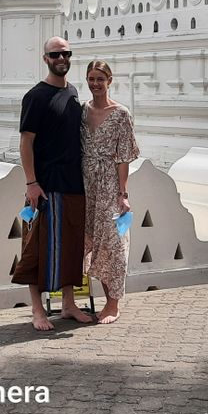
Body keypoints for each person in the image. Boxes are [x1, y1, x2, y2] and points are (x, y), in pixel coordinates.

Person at [11, 36, 93, 331]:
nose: (62, 58)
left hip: (73, 185)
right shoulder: (36, 96)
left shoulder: (72, 92)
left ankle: (69, 305)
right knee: (36, 248)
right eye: (56, 54)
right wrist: (31, 182)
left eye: (66, 53)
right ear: (45, 59)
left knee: (72, 247)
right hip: (45, 187)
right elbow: (26, 142)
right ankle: (37, 310)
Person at [81, 60, 139, 323]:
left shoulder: (121, 114)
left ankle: (113, 304)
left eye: (100, 79)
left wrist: (123, 194)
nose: (95, 84)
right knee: (91, 240)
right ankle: (92, 301)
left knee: (113, 243)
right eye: (91, 79)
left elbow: (124, 157)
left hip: (109, 185)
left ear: (109, 81)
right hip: (84, 184)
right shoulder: (82, 111)